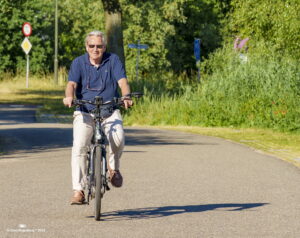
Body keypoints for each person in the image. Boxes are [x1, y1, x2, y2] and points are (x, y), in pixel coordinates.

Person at [63, 30, 133, 205]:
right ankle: (78, 190)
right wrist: (69, 97)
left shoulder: (113, 60)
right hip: (85, 110)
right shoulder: (78, 62)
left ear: (104, 47)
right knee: (79, 146)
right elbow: (71, 84)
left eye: (99, 46)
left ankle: (113, 169)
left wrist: (126, 96)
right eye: (92, 46)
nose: (95, 49)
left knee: (118, 140)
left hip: (109, 109)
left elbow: (122, 81)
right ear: (87, 47)